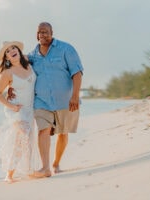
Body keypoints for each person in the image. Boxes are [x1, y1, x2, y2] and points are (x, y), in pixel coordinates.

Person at [28, 22, 84, 177]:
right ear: (36, 34)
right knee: (43, 130)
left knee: (62, 133)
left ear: (52, 33)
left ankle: (56, 163)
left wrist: (75, 96)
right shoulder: (32, 56)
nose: (42, 35)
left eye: (46, 32)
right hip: (42, 102)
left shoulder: (66, 49)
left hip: (65, 100)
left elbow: (77, 73)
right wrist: (11, 87)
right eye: (40, 32)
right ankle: (45, 168)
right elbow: (19, 71)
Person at [0, 41, 40, 183]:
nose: (12, 51)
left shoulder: (29, 63)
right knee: (21, 138)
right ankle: (9, 174)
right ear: (6, 58)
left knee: (29, 139)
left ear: (19, 51)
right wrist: (12, 107)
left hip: (30, 108)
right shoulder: (7, 73)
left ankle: (28, 170)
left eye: (14, 48)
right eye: (8, 51)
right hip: (16, 110)